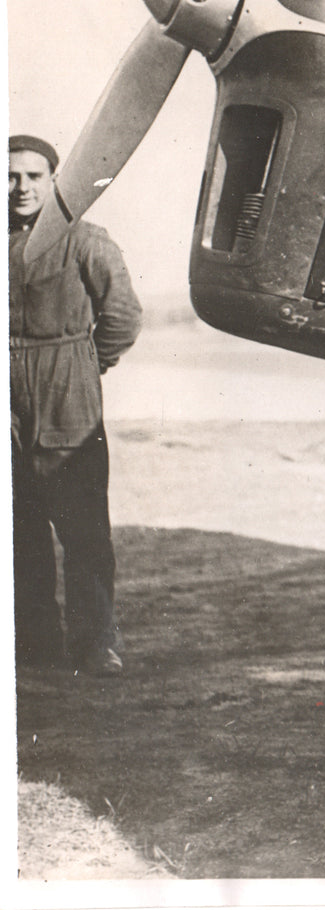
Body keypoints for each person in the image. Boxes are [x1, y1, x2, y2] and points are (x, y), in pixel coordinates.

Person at [10, 134, 142, 677]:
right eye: (10, 176)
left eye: (33, 177)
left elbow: (124, 317)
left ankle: (93, 646)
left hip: (70, 405)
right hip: (8, 412)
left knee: (84, 534)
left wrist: (85, 369)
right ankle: (35, 647)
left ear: (55, 180)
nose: (20, 187)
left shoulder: (86, 240)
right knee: (19, 534)